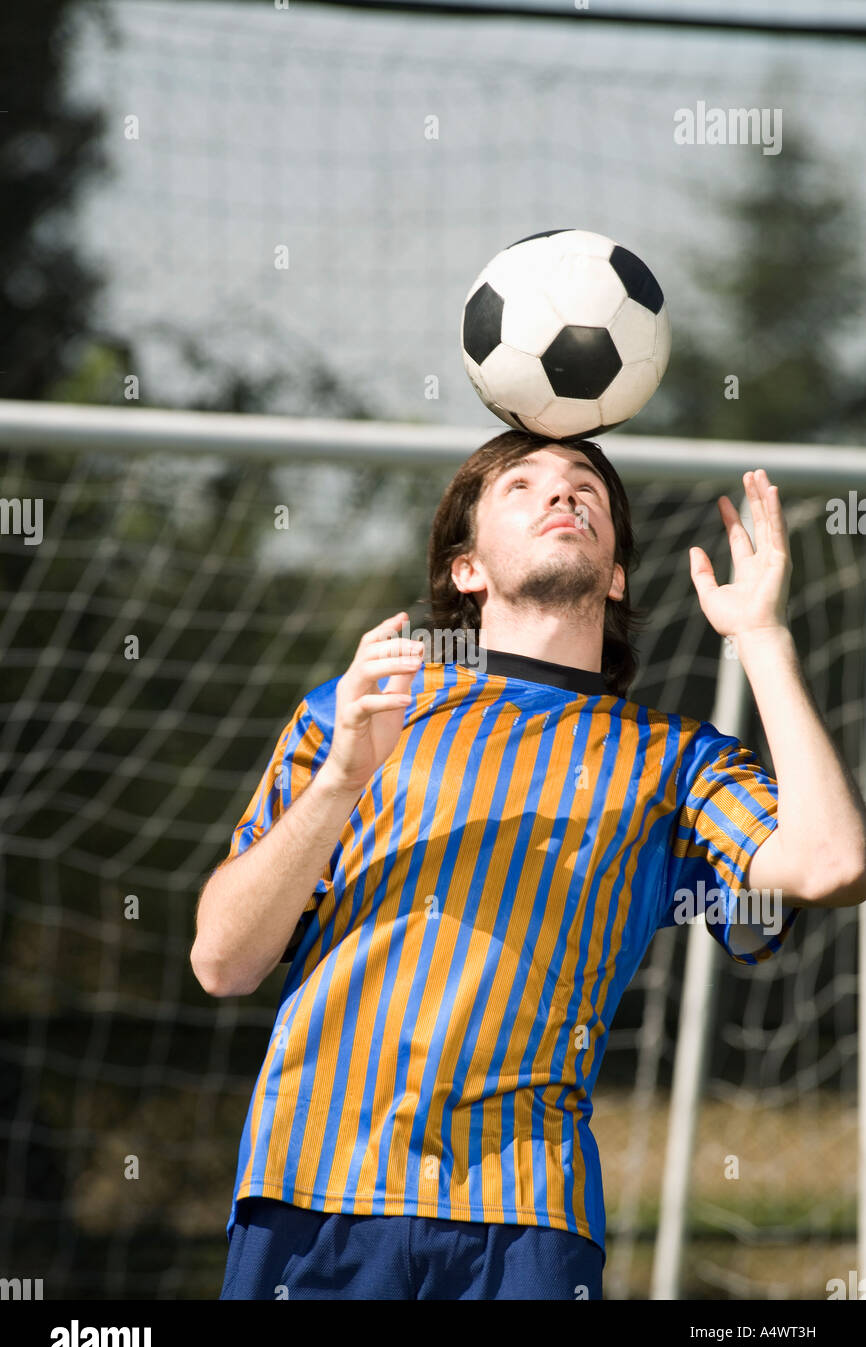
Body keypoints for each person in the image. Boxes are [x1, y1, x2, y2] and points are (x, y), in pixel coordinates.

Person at [191, 428, 866, 1300]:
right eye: (522, 485)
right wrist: (340, 785)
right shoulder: (361, 710)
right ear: (466, 568)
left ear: (617, 573)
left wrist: (762, 635)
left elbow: (833, 863)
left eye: (585, 484)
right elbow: (222, 961)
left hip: (529, 1218)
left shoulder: (676, 760)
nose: (562, 494)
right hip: (311, 1193)